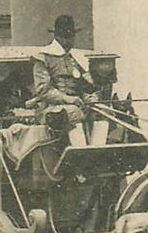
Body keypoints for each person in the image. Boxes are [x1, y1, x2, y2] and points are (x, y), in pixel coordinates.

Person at [30, 14, 99, 146]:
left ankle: (99, 151)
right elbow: (43, 90)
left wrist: (88, 97)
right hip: (51, 109)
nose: (71, 40)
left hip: (76, 105)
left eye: (72, 35)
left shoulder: (74, 58)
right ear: (58, 37)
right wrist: (69, 99)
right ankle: (81, 155)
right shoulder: (43, 58)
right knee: (74, 113)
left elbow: (80, 86)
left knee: (102, 112)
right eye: (67, 36)